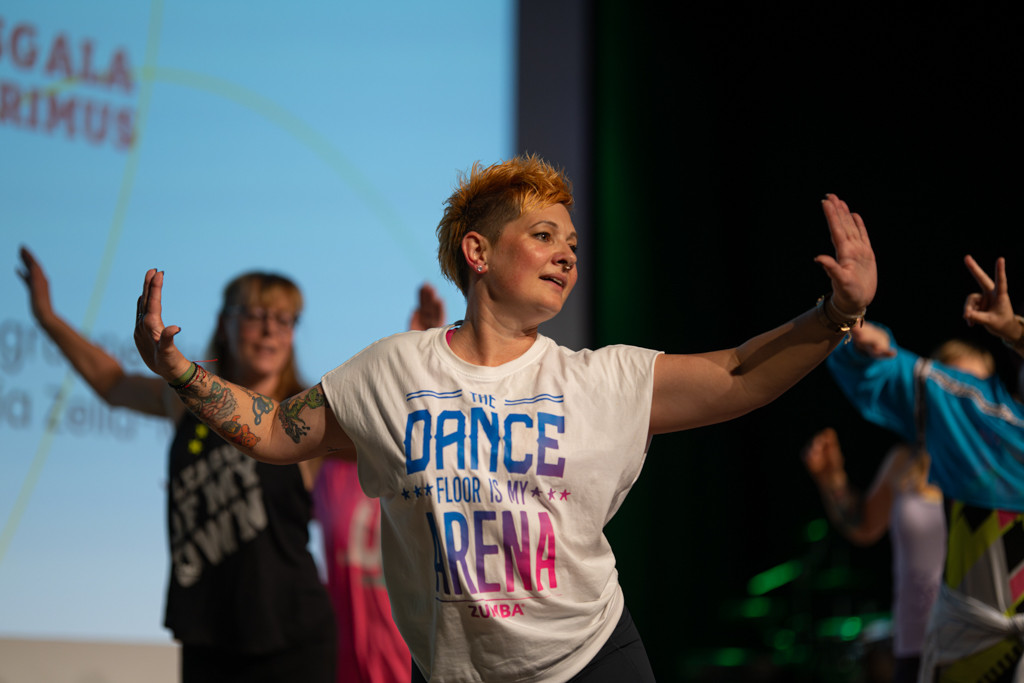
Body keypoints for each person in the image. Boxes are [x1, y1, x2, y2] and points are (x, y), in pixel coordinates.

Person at [133, 155, 877, 682]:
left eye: (573, 244)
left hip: (589, 659)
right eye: (544, 236)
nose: (567, 256)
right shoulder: (394, 370)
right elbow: (273, 429)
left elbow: (740, 374)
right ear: (478, 251)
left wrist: (835, 314)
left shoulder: (598, 379)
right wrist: (180, 372)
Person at [18, 247, 336, 682]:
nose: (270, 330)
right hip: (207, 633)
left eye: (284, 319)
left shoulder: (307, 415)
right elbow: (112, 384)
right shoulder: (184, 400)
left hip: (293, 639)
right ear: (224, 323)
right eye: (255, 315)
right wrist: (48, 318)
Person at [826, 255, 1024, 682]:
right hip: (948, 650)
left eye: (974, 390)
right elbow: (877, 372)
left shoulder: (1000, 445)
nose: (965, 401)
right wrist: (848, 322)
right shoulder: (945, 446)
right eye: (958, 390)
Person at [309, 284, 446, 683]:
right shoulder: (328, 472)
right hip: (345, 669)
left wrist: (425, 361)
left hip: (422, 666)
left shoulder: (426, 464)